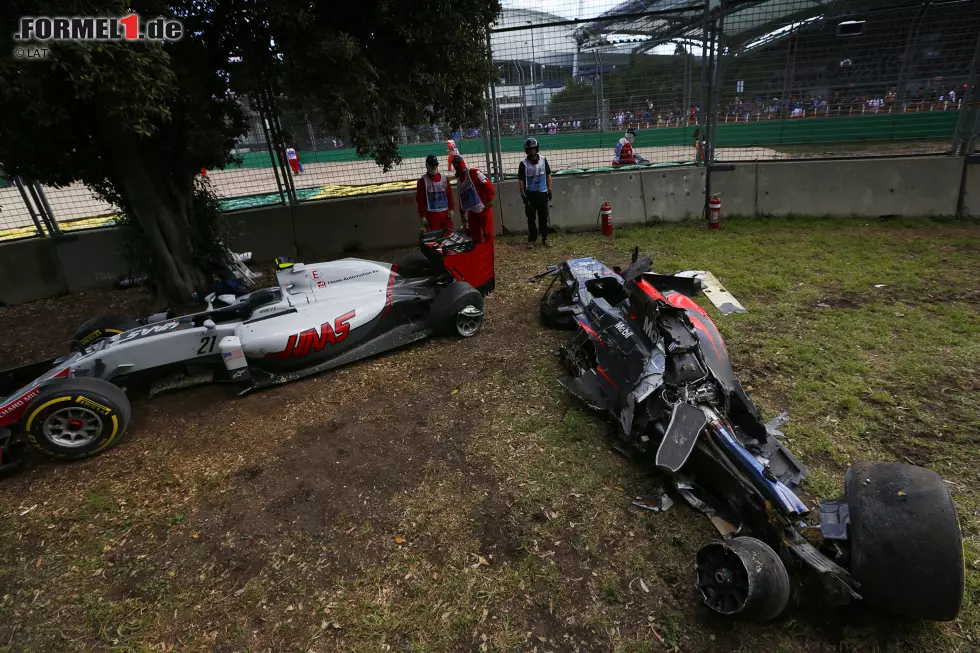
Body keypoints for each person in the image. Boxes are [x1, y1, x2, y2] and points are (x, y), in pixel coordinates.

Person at [452, 155, 495, 245]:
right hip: (472, 210)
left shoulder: (474, 172)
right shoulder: (459, 182)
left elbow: (487, 184)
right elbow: (461, 199)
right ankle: (479, 252)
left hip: (483, 207)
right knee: (475, 234)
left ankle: (489, 252)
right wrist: (463, 216)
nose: (456, 168)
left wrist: (489, 199)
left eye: (457, 165)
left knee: (487, 233)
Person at [518, 137, 552, 249]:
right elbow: (521, 180)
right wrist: (523, 194)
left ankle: (545, 238)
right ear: (527, 150)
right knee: (531, 218)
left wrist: (549, 189)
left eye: (533, 148)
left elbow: (548, 175)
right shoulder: (523, 163)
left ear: (536, 148)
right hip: (530, 195)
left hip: (542, 193)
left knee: (543, 217)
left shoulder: (543, 159)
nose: (532, 150)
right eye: (530, 149)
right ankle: (532, 240)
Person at [415, 154, 455, 231]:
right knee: (434, 238)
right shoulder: (422, 181)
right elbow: (420, 201)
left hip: (445, 214)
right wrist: (422, 216)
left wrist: (451, 209)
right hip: (431, 215)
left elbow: (449, 196)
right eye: (432, 165)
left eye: (436, 164)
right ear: (426, 165)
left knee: (450, 235)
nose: (434, 166)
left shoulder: (444, 179)